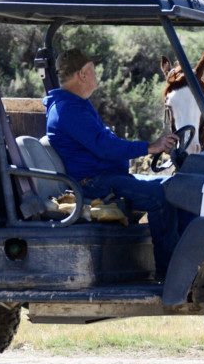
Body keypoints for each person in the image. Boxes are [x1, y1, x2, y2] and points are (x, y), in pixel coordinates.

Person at [44, 48, 181, 278]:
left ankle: (177, 267)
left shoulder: (76, 105)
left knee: (174, 186)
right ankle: (170, 276)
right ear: (82, 74)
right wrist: (148, 147)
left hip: (106, 179)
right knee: (162, 196)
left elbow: (107, 142)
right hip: (93, 185)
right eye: (93, 70)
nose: (96, 75)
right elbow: (105, 147)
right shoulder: (68, 110)